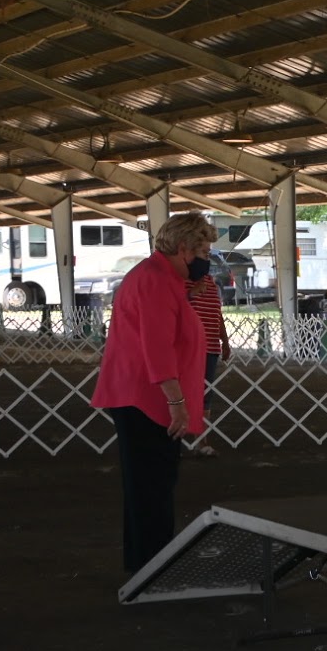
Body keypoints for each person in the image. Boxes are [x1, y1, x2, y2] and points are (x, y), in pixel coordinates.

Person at [91, 212, 217, 574]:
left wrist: (187, 295)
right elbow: (158, 349)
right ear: (183, 249)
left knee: (150, 485)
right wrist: (177, 404)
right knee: (152, 488)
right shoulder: (156, 281)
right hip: (145, 399)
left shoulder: (159, 277)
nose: (206, 260)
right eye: (203, 251)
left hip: (141, 397)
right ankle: (153, 568)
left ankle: (146, 564)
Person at [184, 254, 230, 457]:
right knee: (182, 394)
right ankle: (174, 440)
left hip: (211, 347)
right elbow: (170, 308)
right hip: (187, 348)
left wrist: (225, 341)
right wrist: (190, 294)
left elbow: (217, 314)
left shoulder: (212, 284)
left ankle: (201, 441)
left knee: (205, 396)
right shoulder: (180, 283)